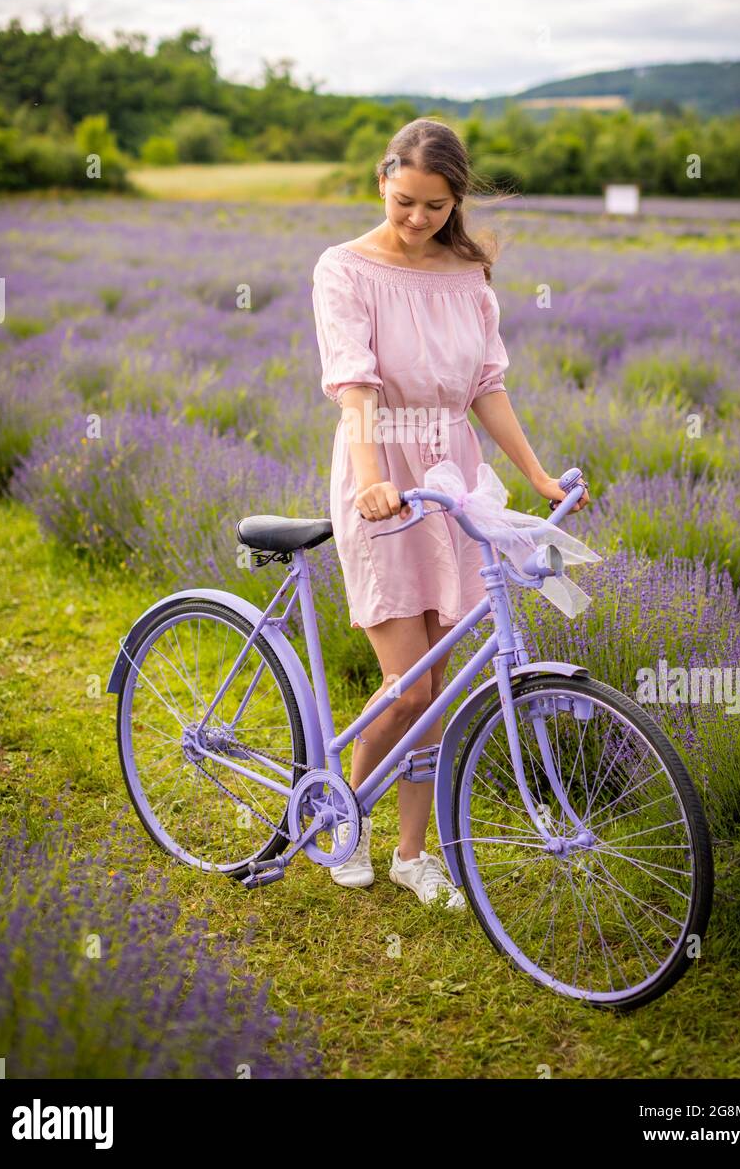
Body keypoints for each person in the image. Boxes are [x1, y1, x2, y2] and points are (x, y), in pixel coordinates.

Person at [311, 118, 589, 909]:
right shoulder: (344, 270)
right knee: (408, 683)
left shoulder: (468, 274)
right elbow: (356, 388)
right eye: (405, 202)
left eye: (435, 207)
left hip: (453, 482)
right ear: (382, 181)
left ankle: (411, 853)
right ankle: (345, 821)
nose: (417, 219)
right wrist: (371, 480)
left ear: (454, 201)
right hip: (385, 479)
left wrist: (535, 476)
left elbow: (486, 388)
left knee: (447, 687)